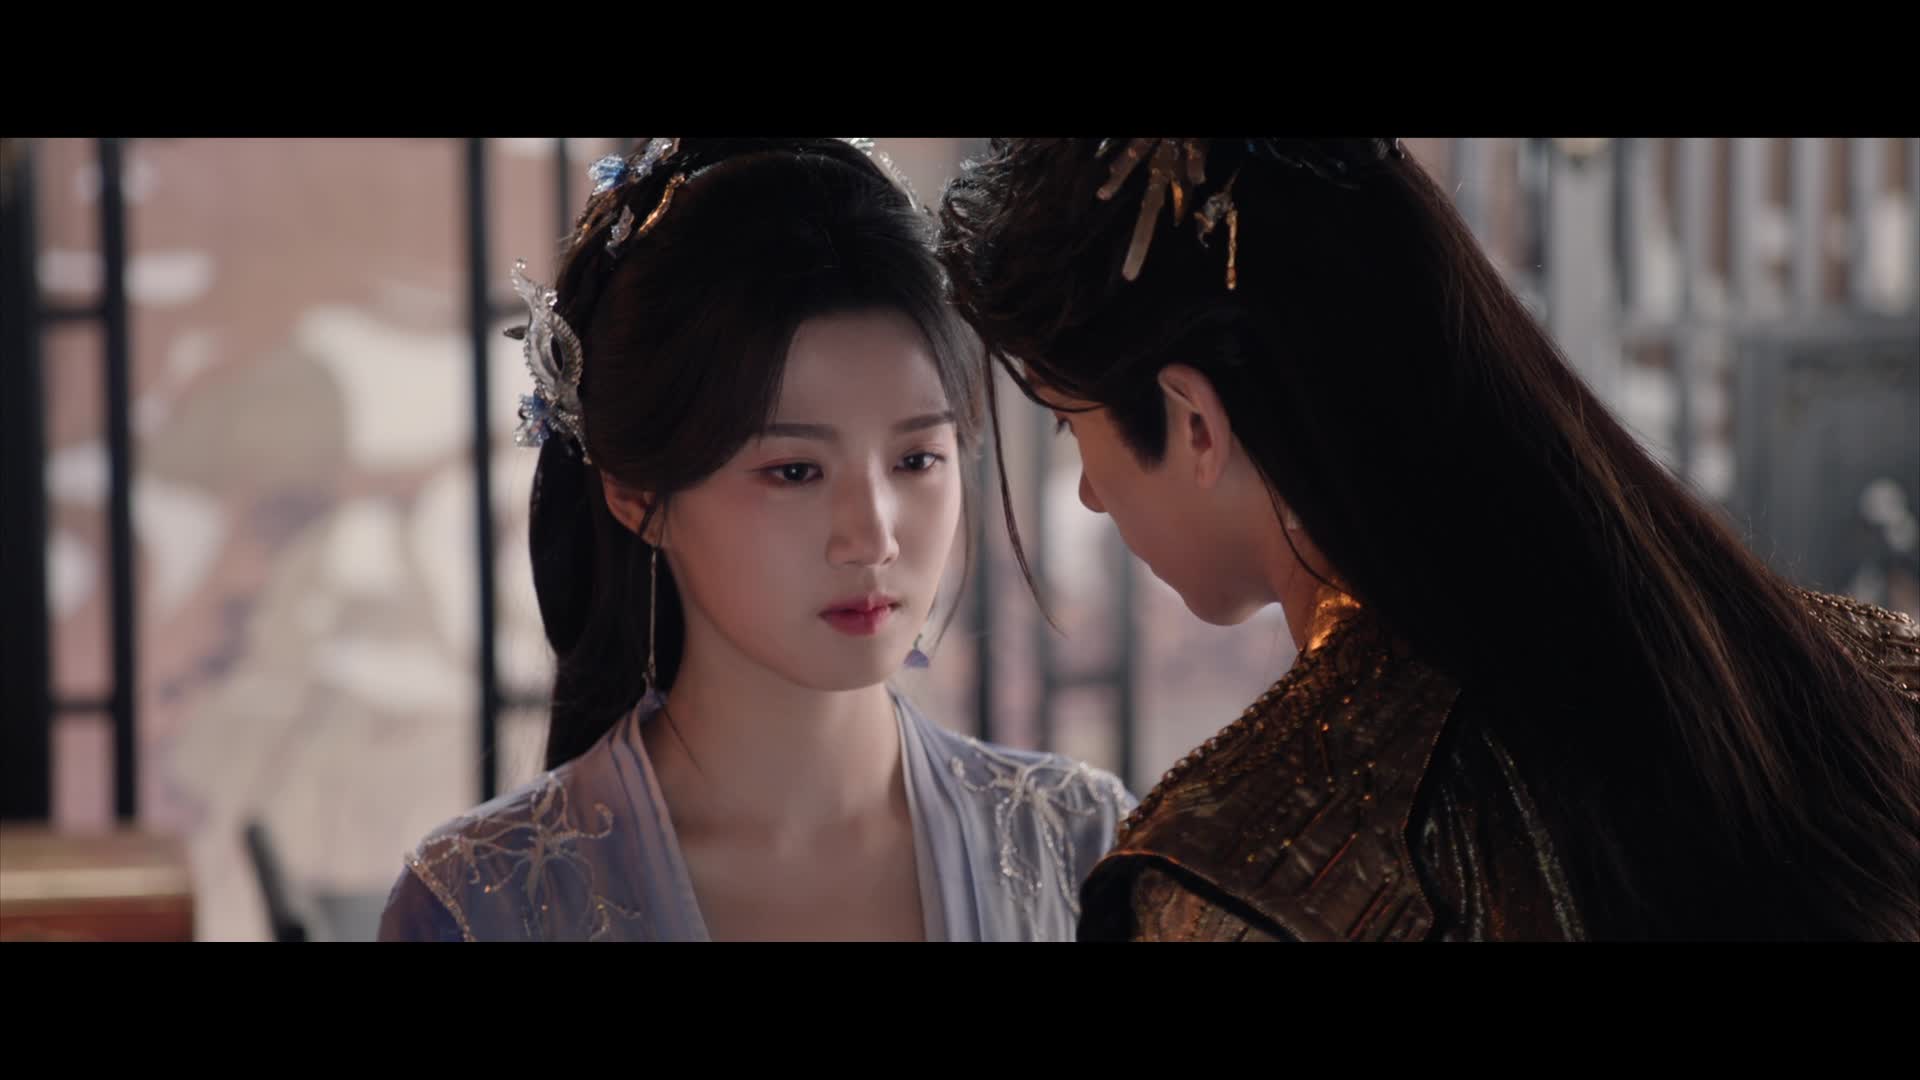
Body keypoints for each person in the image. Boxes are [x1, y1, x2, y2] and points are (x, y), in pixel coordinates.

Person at [936, 137, 1920, 940]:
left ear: (1194, 424)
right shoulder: (1863, 677)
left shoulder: (1238, 877)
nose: (1090, 495)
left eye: (1070, 426)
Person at [378, 138, 1134, 942]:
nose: (873, 537)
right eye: (795, 471)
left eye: (916, 459)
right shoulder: (481, 905)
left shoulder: (1083, 845)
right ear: (638, 495)